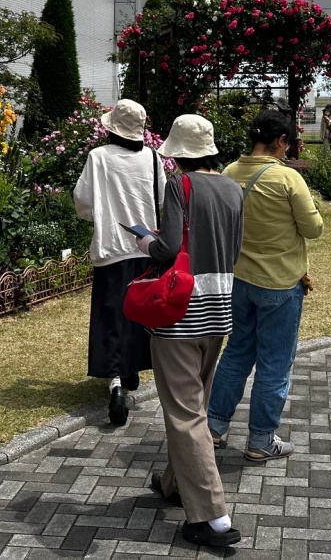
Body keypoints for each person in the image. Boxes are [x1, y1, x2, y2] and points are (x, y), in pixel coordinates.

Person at [139, 114, 245, 549]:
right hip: (219, 306)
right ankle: (174, 484)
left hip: (179, 310)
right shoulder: (234, 188)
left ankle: (211, 517)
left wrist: (143, 240)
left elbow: (166, 247)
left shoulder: (179, 186)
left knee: (185, 413)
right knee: (194, 402)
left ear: (178, 154)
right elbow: (235, 247)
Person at [210, 110, 324, 463]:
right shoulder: (287, 179)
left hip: (240, 279)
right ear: (280, 141)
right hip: (280, 283)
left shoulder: (229, 173)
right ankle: (261, 439)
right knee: (274, 362)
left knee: (237, 352)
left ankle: (213, 428)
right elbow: (313, 228)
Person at [73, 98, 163, 427]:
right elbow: (163, 199)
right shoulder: (153, 158)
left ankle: (115, 381)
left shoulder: (98, 158)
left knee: (111, 315)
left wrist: (98, 214)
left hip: (112, 248)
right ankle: (131, 371)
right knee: (139, 315)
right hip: (146, 249)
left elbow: (83, 201)